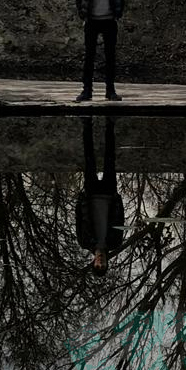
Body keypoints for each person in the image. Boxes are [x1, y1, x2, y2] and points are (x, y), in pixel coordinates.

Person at [76, 115, 125, 274]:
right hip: (109, 195)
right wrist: (118, 200)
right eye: (103, 266)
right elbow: (120, 219)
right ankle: (110, 123)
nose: (100, 263)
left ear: (93, 263)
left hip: (91, 195)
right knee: (109, 158)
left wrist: (80, 200)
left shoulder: (84, 241)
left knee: (89, 158)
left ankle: (87, 123)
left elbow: (79, 219)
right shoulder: (115, 242)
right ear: (107, 264)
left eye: (97, 266)